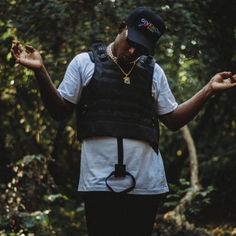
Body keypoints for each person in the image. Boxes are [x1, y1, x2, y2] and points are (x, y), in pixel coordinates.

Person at [11, 6, 236, 236]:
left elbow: (173, 120)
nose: (132, 50)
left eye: (141, 48)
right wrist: (41, 72)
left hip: (145, 184)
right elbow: (59, 111)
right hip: (98, 181)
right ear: (122, 28)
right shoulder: (83, 64)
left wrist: (209, 89)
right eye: (131, 41)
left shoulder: (153, 72)